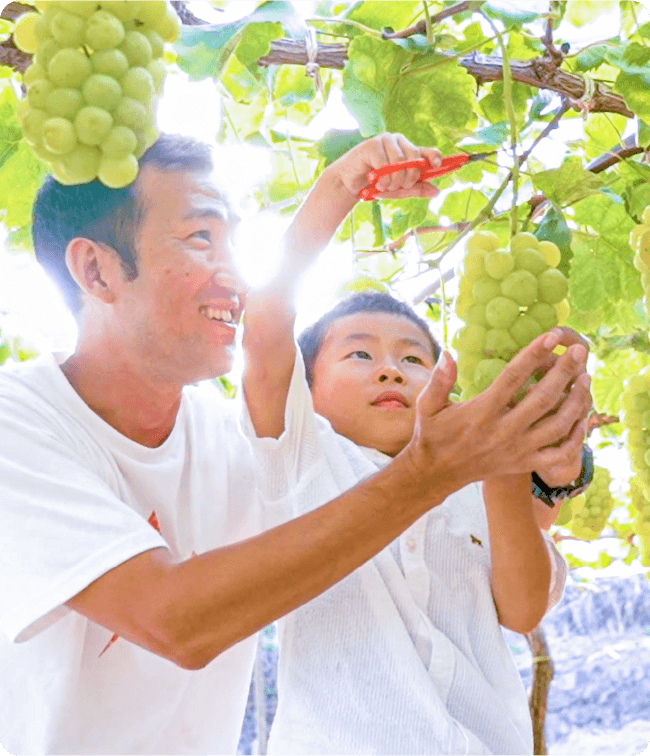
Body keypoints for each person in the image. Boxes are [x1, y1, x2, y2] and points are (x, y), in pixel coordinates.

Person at [0, 132, 591, 756]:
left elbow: (514, 573)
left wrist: (542, 466)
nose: (235, 277)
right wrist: (434, 470)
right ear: (96, 269)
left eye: (232, 242)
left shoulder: (231, 445)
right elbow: (175, 620)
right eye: (202, 238)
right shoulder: (20, 420)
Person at [242, 288, 588, 755]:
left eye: (414, 359)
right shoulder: (304, 458)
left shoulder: (472, 487)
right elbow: (264, 332)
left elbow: (523, 610)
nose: (391, 370)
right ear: (305, 391)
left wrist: (505, 469)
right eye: (360, 353)